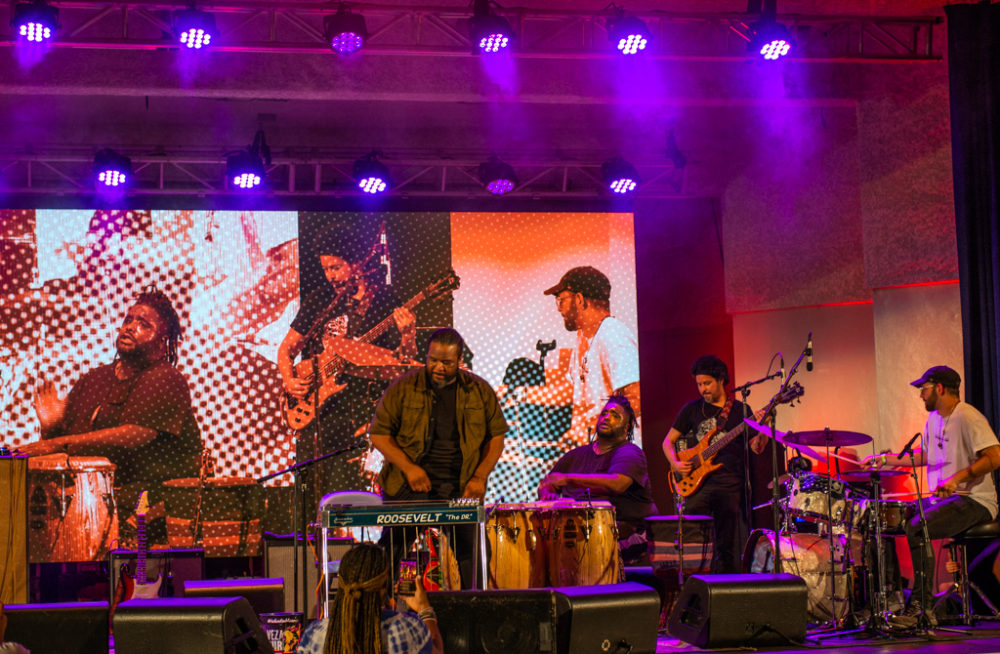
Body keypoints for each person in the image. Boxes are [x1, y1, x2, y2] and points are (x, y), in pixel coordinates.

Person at [21, 286, 202, 546]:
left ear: (162, 343)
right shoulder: (94, 379)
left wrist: (55, 443)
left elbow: (134, 435)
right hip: (94, 499)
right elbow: (70, 445)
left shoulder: (165, 378)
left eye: (144, 325)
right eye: (128, 320)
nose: (130, 327)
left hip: (151, 503)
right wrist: (52, 427)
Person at [278, 223, 417, 503]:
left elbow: (403, 362)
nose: (330, 276)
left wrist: (408, 335)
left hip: (366, 411)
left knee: (351, 493)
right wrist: (289, 380)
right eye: (326, 269)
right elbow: (287, 349)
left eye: (336, 268)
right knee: (312, 489)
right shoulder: (320, 301)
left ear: (356, 264)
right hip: (322, 415)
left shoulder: (385, 301)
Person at [864, 365, 1000, 628]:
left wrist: (957, 478)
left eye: (923, 389)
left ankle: (921, 608)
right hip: (947, 500)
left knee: (919, 526)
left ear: (939, 388)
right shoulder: (934, 419)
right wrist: (886, 460)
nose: (920, 395)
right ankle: (892, 599)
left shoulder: (968, 416)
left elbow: (995, 456)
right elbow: (925, 455)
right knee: (891, 519)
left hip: (975, 501)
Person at [369, 328, 507, 587]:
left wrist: (479, 477)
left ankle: (473, 606)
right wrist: (409, 468)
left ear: (459, 360)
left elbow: (496, 437)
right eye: (433, 360)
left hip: (459, 486)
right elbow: (378, 434)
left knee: (475, 553)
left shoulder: (478, 390)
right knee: (392, 550)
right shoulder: (403, 387)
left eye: (447, 362)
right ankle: (383, 604)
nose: (439, 367)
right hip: (409, 487)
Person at [661, 355, 769, 573]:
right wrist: (675, 463)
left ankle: (726, 585)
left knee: (726, 544)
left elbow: (757, 448)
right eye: (699, 384)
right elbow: (667, 442)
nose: (703, 389)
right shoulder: (691, 409)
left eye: (707, 383)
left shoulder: (740, 410)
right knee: (693, 541)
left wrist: (763, 426)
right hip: (696, 485)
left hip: (729, 483)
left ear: (721, 380)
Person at [538, 394, 657, 564]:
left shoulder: (631, 453)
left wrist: (568, 479)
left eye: (615, 416)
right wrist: (548, 494)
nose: (607, 417)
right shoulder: (575, 456)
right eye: (604, 413)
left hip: (626, 540)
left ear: (626, 427)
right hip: (583, 536)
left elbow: (618, 483)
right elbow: (548, 482)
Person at [544, 266, 641, 447]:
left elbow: (636, 398)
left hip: (616, 453)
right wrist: (521, 394)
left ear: (579, 299)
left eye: (561, 300)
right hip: (595, 450)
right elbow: (574, 392)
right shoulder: (582, 338)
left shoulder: (614, 335)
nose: (559, 308)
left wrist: (595, 429)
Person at [295, 542, 443, 654]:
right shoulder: (406, 629)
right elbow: (437, 650)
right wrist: (424, 608)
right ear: (384, 583)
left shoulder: (315, 634)